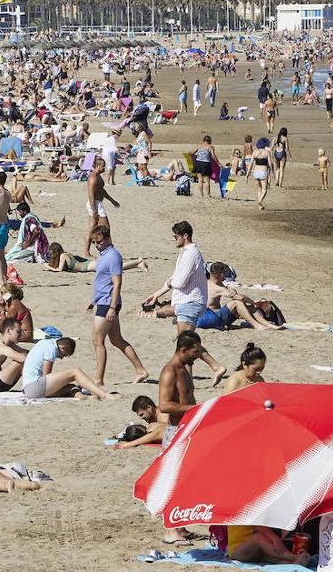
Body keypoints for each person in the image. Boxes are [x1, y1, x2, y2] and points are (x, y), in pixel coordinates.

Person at [143, 221, 227, 384]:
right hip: (187, 302)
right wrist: (156, 294)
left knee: (185, 346)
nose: (174, 240)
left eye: (176, 237)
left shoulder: (191, 254)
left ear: (185, 236)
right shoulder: (186, 253)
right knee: (187, 342)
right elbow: (175, 279)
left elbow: (179, 281)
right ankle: (215, 367)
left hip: (191, 302)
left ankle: (189, 378)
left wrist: (164, 289)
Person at [157, 331, 204, 544]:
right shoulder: (170, 371)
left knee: (182, 482)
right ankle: (169, 531)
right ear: (183, 350)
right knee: (171, 481)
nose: (197, 356)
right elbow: (165, 405)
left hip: (186, 431)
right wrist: (194, 409)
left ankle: (180, 526)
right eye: (194, 352)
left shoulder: (184, 370)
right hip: (175, 432)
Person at [88, 226, 149, 384]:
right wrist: (93, 300)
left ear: (107, 239)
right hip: (103, 301)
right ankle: (140, 370)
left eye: (99, 242)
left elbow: (117, 283)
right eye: (94, 242)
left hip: (108, 304)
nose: (96, 245)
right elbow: (102, 281)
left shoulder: (113, 256)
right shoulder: (103, 255)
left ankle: (98, 380)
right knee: (116, 340)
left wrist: (113, 308)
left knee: (98, 340)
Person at [20, 336, 112, 400]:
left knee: (71, 387)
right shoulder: (51, 349)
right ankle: (103, 395)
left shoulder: (44, 342)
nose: (62, 357)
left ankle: (82, 397)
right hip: (34, 386)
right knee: (75, 372)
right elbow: (46, 375)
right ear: (63, 348)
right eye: (64, 355)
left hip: (28, 389)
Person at [83, 157, 120, 254]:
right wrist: (94, 210)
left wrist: (112, 200)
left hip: (97, 203)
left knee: (92, 228)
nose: (105, 168)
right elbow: (90, 195)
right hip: (95, 204)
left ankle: (87, 252)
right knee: (106, 227)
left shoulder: (97, 176)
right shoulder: (93, 178)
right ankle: (110, 250)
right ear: (98, 166)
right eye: (103, 166)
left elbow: (101, 190)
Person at [45, 241, 146, 273]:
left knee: (116, 268)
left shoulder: (63, 255)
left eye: (52, 252)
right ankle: (138, 265)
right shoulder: (65, 254)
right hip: (88, 265)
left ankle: (138, 261)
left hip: (89, 266)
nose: (51, 255)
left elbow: (59, 270)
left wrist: (48, 267)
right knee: (115, 268)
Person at [250, 137, 272, 210]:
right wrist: (272, 172)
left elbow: (250, 164)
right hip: (263, 172)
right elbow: (270, 164)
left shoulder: (255, 152)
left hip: (256, 172)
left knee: (259, 189)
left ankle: (260, 206)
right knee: (264, 189)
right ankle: (260, 201)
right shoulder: (267, 152)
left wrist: (247, 174)